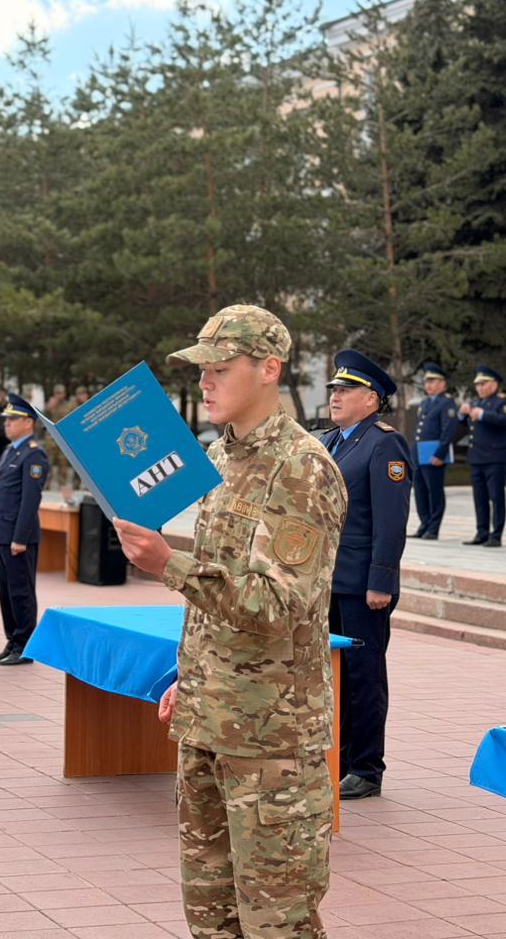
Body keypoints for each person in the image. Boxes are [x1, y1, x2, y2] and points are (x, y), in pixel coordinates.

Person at [110, 305, 346, 939]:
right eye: (202, 370)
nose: (205, 382)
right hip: (211, 720)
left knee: (278, 922)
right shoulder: (222, 458)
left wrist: (171, 565)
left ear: (269, 369)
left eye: (220, 368)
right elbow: (221, 598)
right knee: (211, 917)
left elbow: (281, 604)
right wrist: (193, 678)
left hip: (272, 745)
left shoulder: (303, 469)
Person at [321, 350, 411, 801]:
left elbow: (390, 520)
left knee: (364, 673)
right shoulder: (332, 442)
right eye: (334, 390)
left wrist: (381, 580)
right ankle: (338, 758)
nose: (335, 397)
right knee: (334, 674)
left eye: (346, 390)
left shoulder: (384, 444)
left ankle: (367, 767)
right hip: (329, 580)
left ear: (372, 399)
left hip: (362, 584)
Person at [0, 393, 49, 667]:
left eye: (13, 419)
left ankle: (24, 645)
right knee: (6, 591)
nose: (7, 424)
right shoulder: (11, 451)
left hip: (17, 537)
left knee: (21, 592)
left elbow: (30, 500)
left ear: (29, 422)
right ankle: (12, 641)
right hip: (2, 533)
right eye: (7, 419)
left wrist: (19, 538)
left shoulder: (34, 454)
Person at [459, 366, 506, 547]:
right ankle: (481, 532)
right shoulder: (476, 402)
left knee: (496, 497)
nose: (480, 388)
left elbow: (505, 421)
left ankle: (496, 535)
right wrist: (463, 413)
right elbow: (463, 424)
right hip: (477, 457)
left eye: (484, 384)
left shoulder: (503, 401)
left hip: (495, 457)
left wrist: (483, 415)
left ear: (494, 384)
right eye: (478, 385)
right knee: (480, 498)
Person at [411, 363, 460, 540]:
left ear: (442, 383)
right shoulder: (425, 403)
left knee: (434, 491)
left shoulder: (447, 402)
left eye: (433, 381)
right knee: (420, 490)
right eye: (427, 382)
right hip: (420, 453)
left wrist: (440, 454)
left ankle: (433, 527)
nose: (429, 385)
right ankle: (424, 524)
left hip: (434, 454)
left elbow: (448, 430)